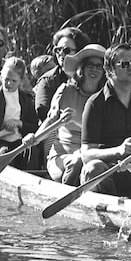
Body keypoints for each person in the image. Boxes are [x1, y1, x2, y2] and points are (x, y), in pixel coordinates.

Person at [78, 44, 131, 197]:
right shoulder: (95, 103)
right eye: (125, 64)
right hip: (109, 173)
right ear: (109, 69)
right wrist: (118, 151)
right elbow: (86, 154)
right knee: (93, 167)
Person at [43, 44, 107, 185]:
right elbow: (49, 122)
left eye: (99, 66)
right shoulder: (66, 91)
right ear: (82, 68)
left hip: (92, 157)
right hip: (62, 158)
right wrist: (33, 138)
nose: (94, 69)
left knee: (87, 162)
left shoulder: (106, 98)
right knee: (77, 161)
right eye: (90, 65)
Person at [34, 27, 90, 121]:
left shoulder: (92, 76)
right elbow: (44, 115)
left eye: (66, 50)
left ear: (80, 52)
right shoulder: (47, 81)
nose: (61, 54)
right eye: (57, 50)